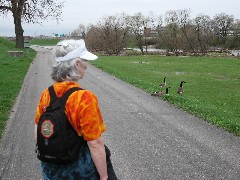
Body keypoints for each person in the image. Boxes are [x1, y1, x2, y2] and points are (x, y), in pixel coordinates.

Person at [34, 39, 114, 180]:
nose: (87, 66)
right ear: (77, 63)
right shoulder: (83, 98)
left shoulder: (46, 94)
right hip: (79, 171)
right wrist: (104, 176)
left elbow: (38, 131)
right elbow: (94, 143)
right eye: (85, 61)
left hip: (50, 169)